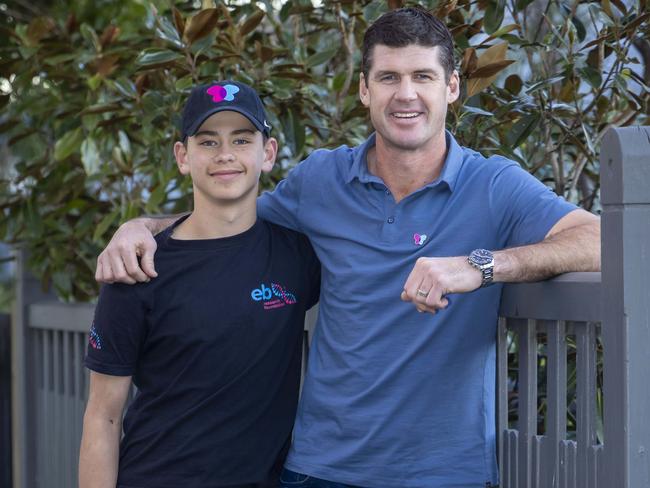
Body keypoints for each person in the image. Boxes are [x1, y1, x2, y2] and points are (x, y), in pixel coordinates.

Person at [94, 8, 600, 488]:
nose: (406, 94)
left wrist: (484, 265)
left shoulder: (493, 185)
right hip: (320, 468)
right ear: (363, 89)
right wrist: (142, 226)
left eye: (423, 76)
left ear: (451, 87)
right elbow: (229, 220)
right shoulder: (321, 179)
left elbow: (599, 240)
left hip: (445, 471)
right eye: (388, 77)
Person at [79, 80, 320, 488]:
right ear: (182, 157)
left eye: (241, 140)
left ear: (268, 153)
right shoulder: (139, 268)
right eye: (207, 142)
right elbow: (103, 416)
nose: (225, 155)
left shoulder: (299, 258)